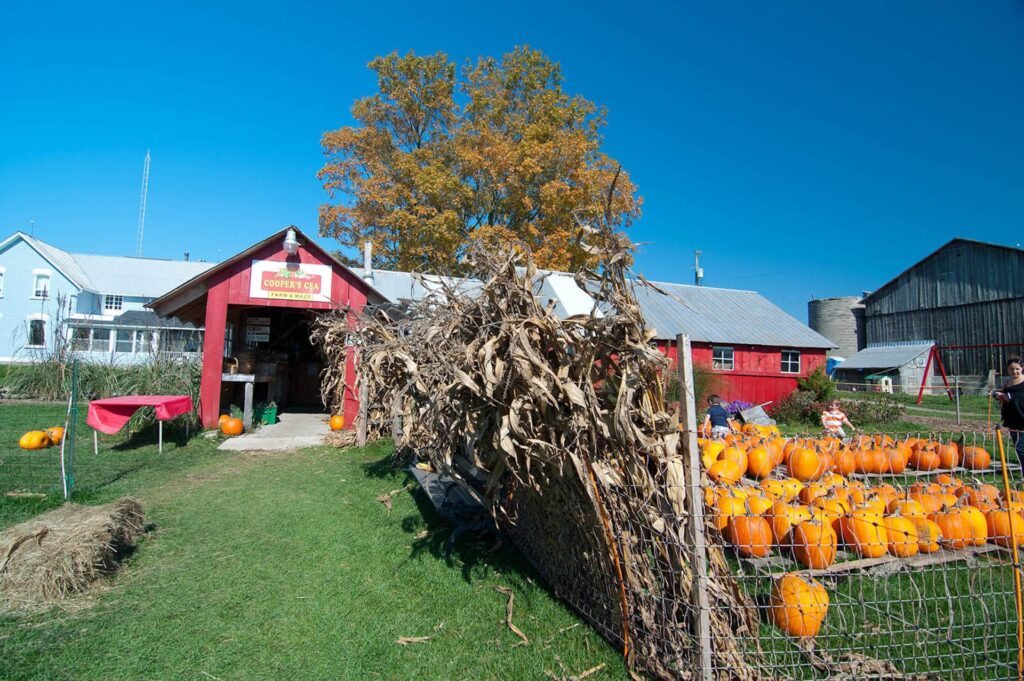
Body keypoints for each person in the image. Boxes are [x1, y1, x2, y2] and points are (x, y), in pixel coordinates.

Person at [995, 356, 1024, 464]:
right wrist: (1000, 396)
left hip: (1023, 417)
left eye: (1017, 368)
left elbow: (1018, 397)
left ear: (1022, 368)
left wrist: (1011, 397)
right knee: (1018, 447)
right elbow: (1007, 399)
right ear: (1008, 369)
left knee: (1020, 449)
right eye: (1011, 369)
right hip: (1013, 419)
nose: (1014, 371)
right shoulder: (1008, 384)